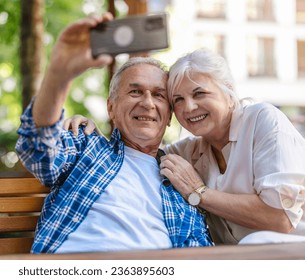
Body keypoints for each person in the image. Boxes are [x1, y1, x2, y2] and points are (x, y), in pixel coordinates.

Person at [15, 14, 212, 254]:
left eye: (159, 95)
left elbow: (198, 254)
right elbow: (36, 149)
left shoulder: (180, 183)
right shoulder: (85, 146)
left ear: (169, 115)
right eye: (135, 91)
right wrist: (60, 71)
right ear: (111, 108)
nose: (148, 103)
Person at [66, 48, 305, 245]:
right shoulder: (189, 151)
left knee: (258, 241)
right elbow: (136, 151)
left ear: (228, 92)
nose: (189, 108)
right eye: (178, 100)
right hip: (234, 262)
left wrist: (199, 193)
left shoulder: (263, 120)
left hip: (288, 253)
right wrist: (94, 137)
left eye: (199, 94)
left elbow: (279, 218)